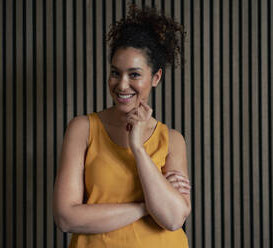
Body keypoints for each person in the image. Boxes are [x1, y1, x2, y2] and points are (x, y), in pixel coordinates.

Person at [53, 4, 191, 247]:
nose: (122, 85)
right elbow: (66, 217)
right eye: (116, 73)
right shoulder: (82, 129)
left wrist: (137, 148)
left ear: (155, 78)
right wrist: (146, 207)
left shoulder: (172, 139)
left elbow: (172, 219)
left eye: (134, 74)